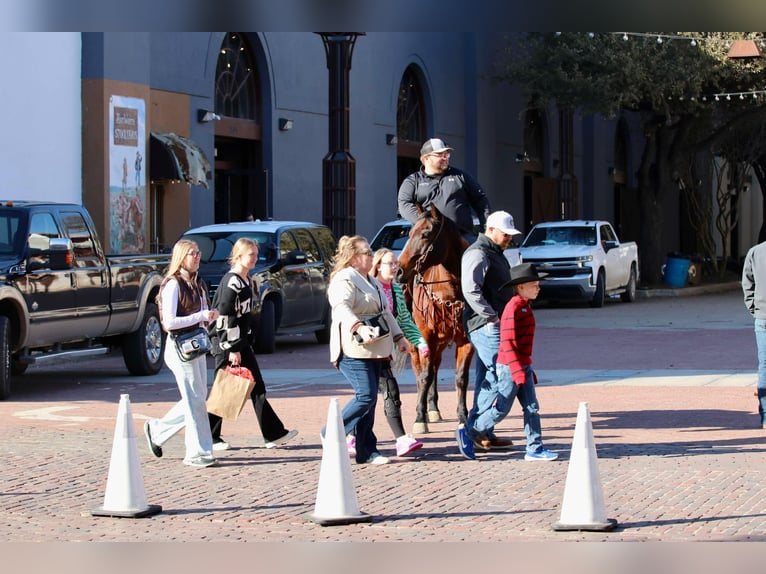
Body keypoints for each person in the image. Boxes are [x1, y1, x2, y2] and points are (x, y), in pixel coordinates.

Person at [456, 212, 556, 461]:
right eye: (505, 234)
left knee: (488, 377)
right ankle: (473, 430)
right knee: (499, 378)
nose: (509, 238)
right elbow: (470, 289)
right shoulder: (478, 252)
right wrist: (492, 317)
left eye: (511, 235)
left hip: (494, 323)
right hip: (488, 325)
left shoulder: (493, 252)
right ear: (491, 229)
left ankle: (480, 430)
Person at [324, 235, 410, 465]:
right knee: (366, 395)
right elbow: (340, 307)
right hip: (352, 347)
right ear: (353, 258)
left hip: (376, 347)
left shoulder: (370, 280)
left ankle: (367, 450)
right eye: (367, 253)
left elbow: (385, 312)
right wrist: (358, 327)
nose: (371, 256)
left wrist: (399, 336)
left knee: (370, 399)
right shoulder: (344, 280)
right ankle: (331, 432)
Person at [208, 237, 298, 450]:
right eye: (251, 255)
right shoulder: (232, 282)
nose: (255, 258)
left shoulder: (245, 280)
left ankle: (273, 433)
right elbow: (225, 316)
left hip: (240, 342)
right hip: (229, 345)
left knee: (256, 387)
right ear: (239, 256)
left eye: (256, 254)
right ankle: (210, 437)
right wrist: (232, 348)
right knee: (225, 390)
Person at [143, 239, 220, 468]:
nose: (196, 257)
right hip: (179, 347)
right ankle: (197, 452)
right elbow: (169, 323)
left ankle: (157, 430)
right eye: (191, 254)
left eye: (197, 253)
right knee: (194, 400)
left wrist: (209, 317)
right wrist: (201, 316)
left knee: (196, 399)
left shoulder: (198, 282)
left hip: (196, 345)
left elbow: (202, 312)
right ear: (180, 257)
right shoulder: (173, 284)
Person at [346, 247, 426, 457]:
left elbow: (401, 319)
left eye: (396, 263)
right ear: (378, 266)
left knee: (371, 395)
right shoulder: (365, 287)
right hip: (363, 349)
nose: (395, 267)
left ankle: (354, 437)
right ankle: (398, 439)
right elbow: (348, 313)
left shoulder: (396, 289)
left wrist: (415, 341)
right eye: (390, 263)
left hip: (385, 350)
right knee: (380, 393)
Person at [397, 138, 491, 242]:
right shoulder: (412, 181)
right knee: (407, 257)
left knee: (480, 255)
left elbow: (480, 200)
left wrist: (487, 227)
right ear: (426, 158)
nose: (445, 158)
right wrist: (425, 221)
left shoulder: (460, 176)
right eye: (440, 155)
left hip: (461, 236)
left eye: (446, 155)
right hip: (429, 237)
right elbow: (404, 204)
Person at [742, 241, 766, 429]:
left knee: (765, 366)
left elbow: (747, 285)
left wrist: (755, 310)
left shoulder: (755, 252)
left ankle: (765, 416)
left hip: (763, 317)